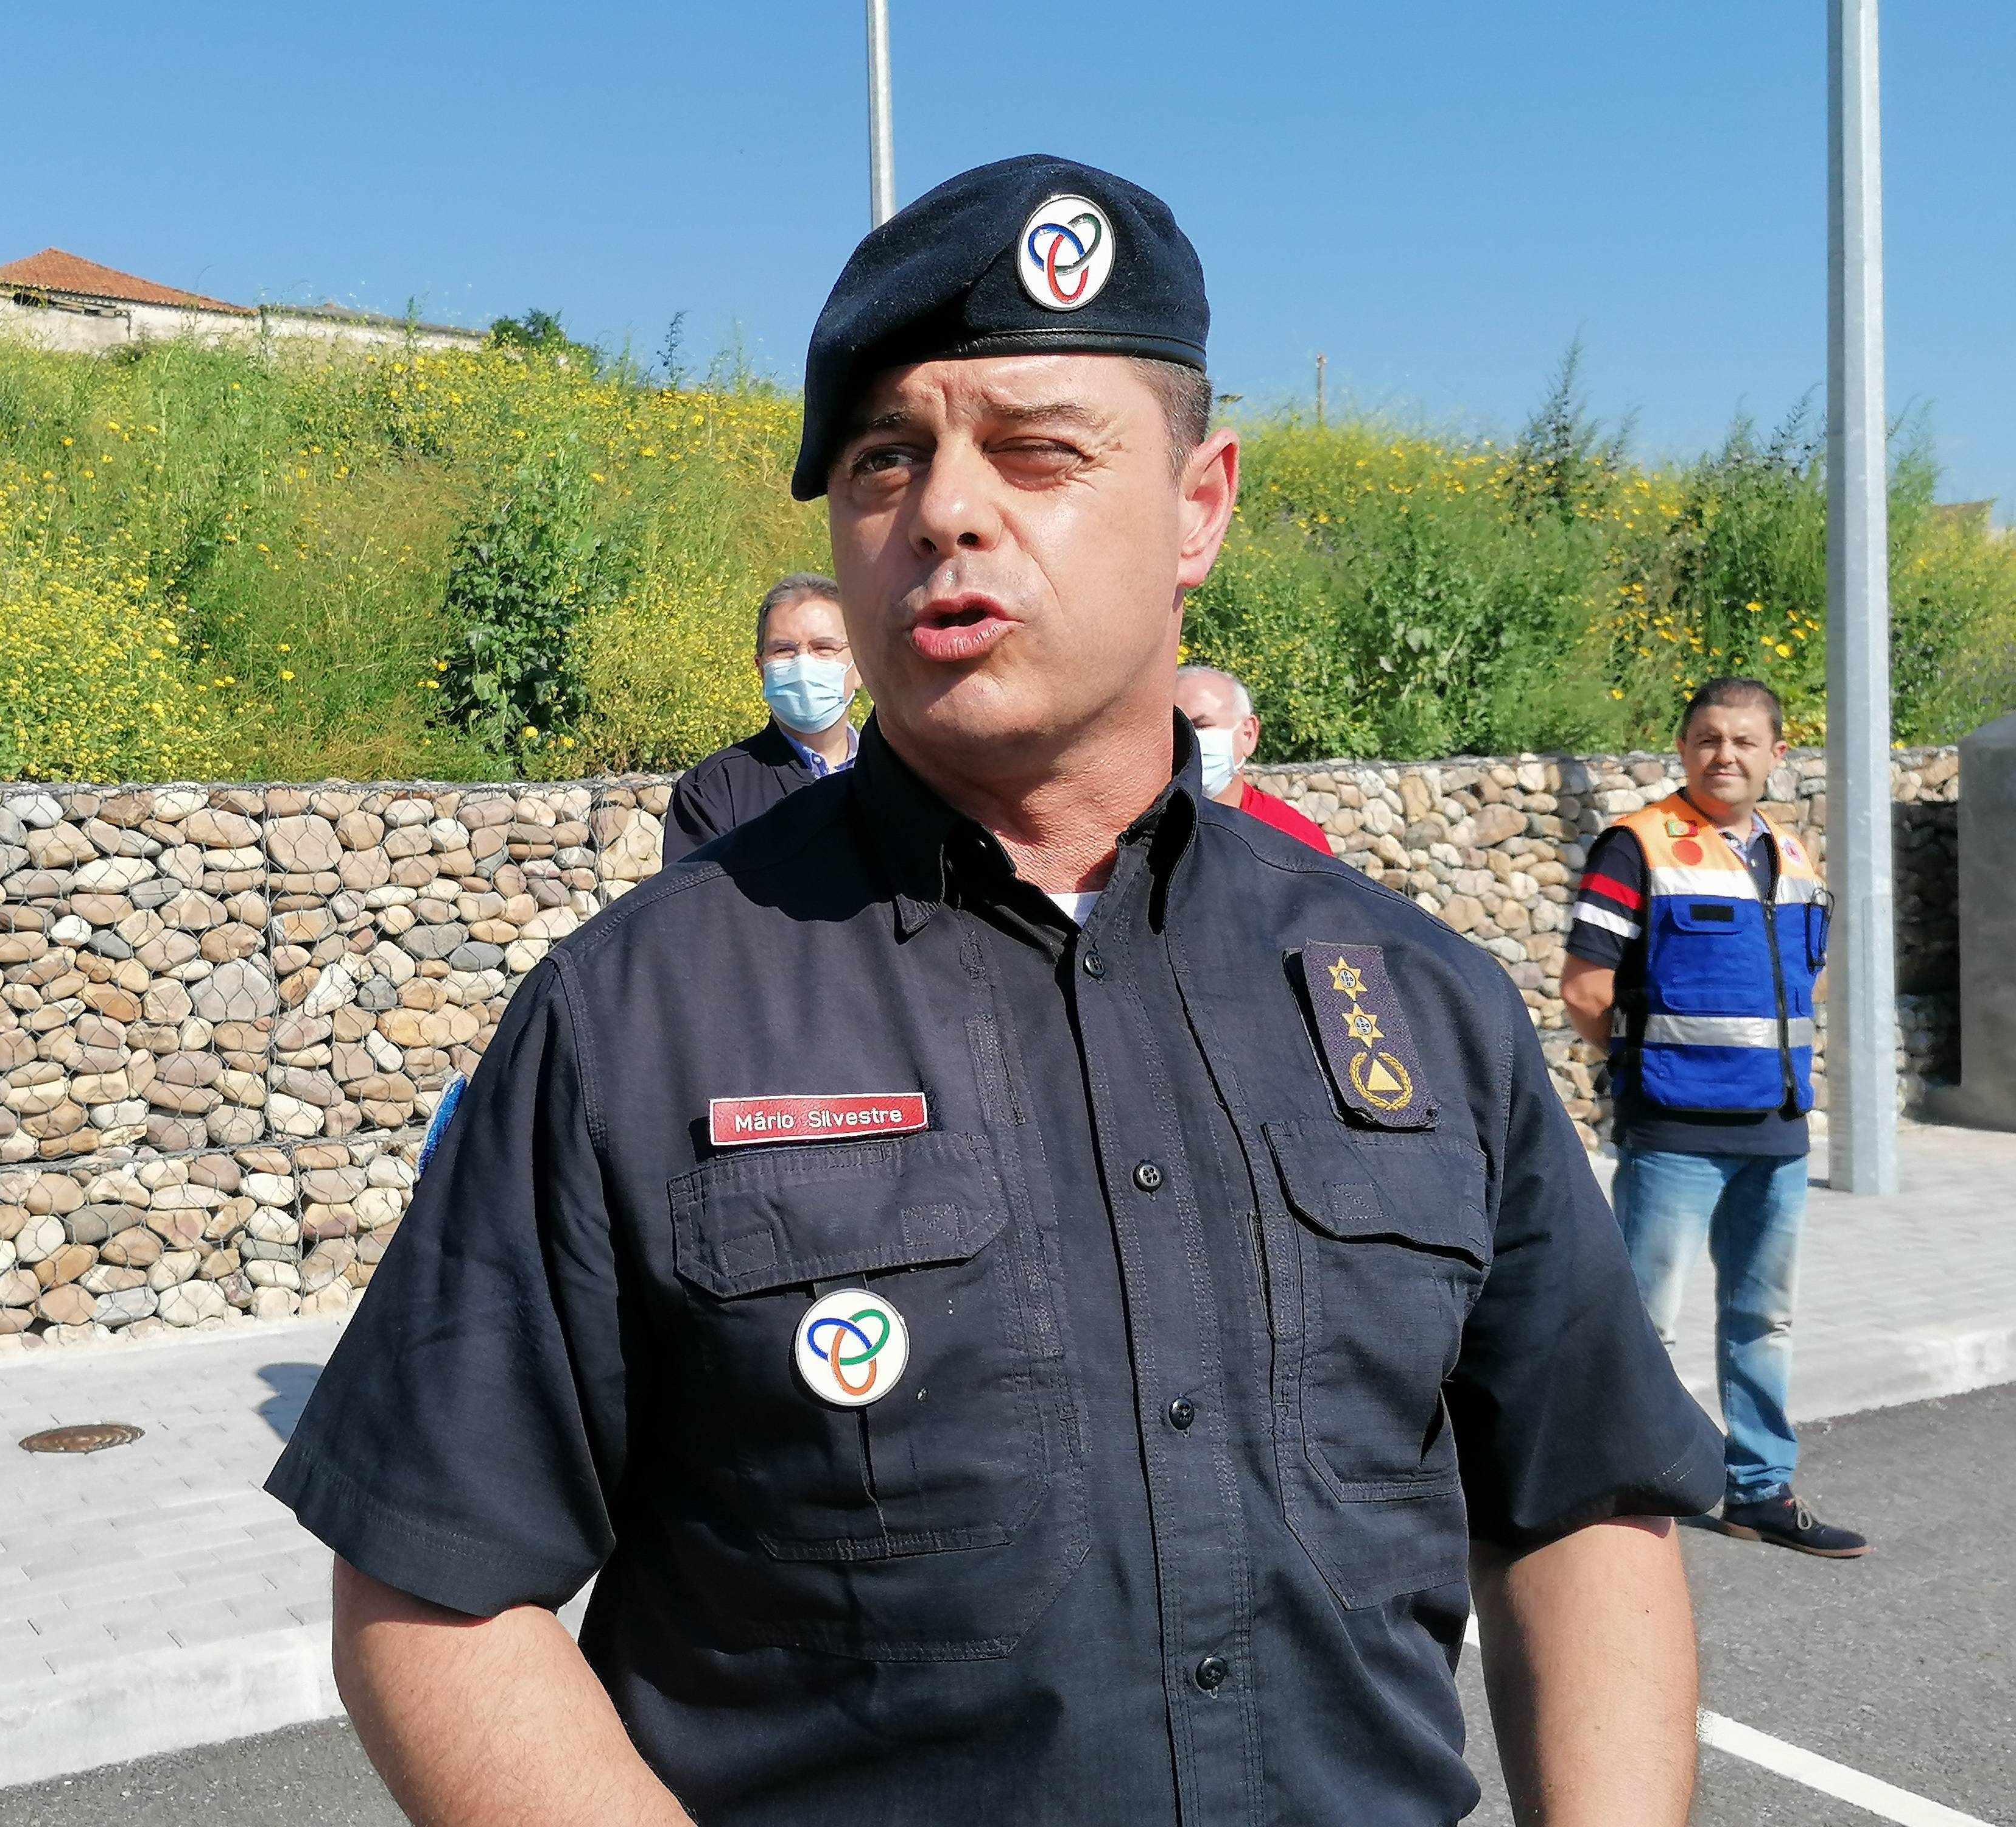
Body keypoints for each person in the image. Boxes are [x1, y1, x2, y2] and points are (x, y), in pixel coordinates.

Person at [269, 154, 1722, 1827]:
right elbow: (433, 1594)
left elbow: (1580, 1502)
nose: (946, 511)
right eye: (883, 459)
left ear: (1199, 506)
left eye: (1037, 450)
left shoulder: (1416, 999)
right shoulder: (634, 1018)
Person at [1561, 677, 1867, 1559]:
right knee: (1642, 1324)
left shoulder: (1792, 853)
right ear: (1683, 748)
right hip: (1674, 1134)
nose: (1723, 755)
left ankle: (1760, 1489)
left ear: (1777, 754)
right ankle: (1618, 1487)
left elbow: (1804, 982)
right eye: (1706, 738)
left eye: (1742, 741)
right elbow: (1585, 988)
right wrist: (1645, 1072)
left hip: (1776, 1133)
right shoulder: (1637, 845)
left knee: (1764, 1321)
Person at [661, 574, 860, 864]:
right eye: (784, 650)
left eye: (823, 648)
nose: (803, 664)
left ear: (861, 664)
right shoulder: (713, 791)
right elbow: (691, 892)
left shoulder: (902, 777)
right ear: (762, 670)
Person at [1173, 663, 1333, 853]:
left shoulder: (1295, 840)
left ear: (1248, 734)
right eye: (1174, 728)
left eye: (1201, 726)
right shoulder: (1145, 830)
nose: (1185, 738)